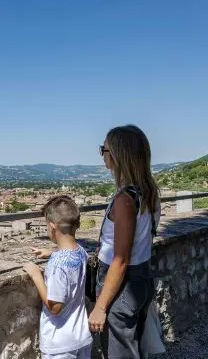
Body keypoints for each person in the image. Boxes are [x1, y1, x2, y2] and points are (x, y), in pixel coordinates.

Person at [88, 125, 160, 358]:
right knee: (133, 347)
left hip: (121, 286)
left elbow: (120, 259)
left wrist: (100, 307)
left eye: (104, 149)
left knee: (120, 353)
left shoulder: (124, 200)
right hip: (141, 278)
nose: (102, 154)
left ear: (118, 155)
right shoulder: (147, 191)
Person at [24, 195, 93, 359]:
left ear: (52, 227)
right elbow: (69, 262)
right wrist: (52, 254)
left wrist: (36, 276)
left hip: (60, 343)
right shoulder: (81, 252)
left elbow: (55, 307)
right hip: (81, 337)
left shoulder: (57, 265)